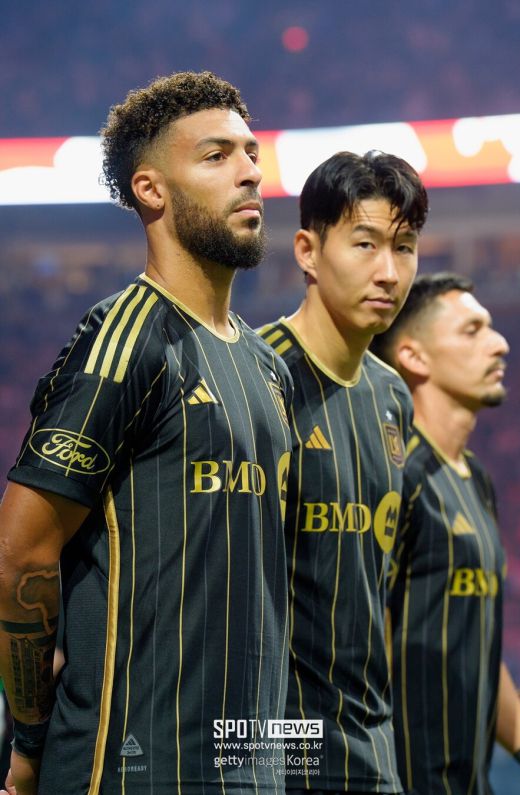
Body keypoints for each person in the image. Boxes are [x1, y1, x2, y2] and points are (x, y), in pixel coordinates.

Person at [0, 70, 293, 795]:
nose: (250, 172)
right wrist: (29, 746)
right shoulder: (125, 338)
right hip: (127, 769)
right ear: (151, 189)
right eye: (217, 155)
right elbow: (20, 555)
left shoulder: (266, 366)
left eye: (251, 153)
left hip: (251, 768)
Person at [259, 150, 429, 793]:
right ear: (308, 251)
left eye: (404, 248)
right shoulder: (256, 377)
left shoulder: (393, 396)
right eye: (365, 244)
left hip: (370, 744)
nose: (389, 271)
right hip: (274, 746)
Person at [371, 272, 520, 794]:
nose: (499, 342)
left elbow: (478, 647)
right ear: (414, 357)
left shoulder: (476, 477)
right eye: (472, 330)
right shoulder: (394, 475)